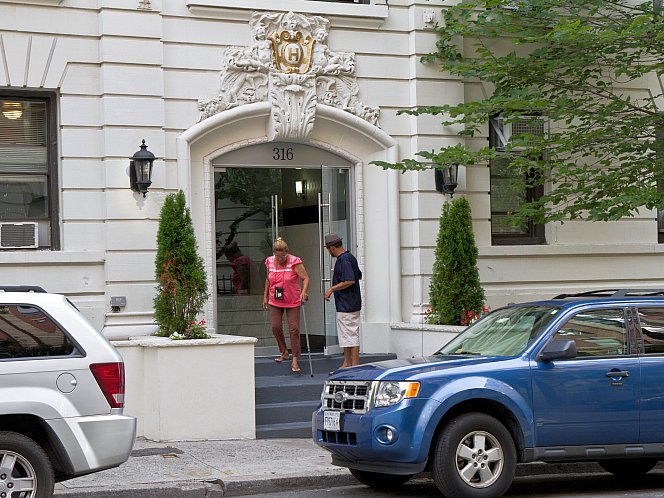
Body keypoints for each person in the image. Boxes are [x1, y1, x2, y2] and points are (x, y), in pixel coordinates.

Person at [263, 238, 310, 373]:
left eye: (283, 256)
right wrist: (265, 296)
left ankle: (295, 357)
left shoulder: (295, 262)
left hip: (292, 299)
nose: (280, 259)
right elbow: (268, 279)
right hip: (275, 298)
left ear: (287, 253)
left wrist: (304, 291)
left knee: (294, 328)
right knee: (275, 326)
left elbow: (306, 278)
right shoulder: (270, 262)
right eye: (277, 256)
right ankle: (284, 351)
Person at [323, 233, 362, 370]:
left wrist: (331, 289)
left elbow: (350, 280)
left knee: (350, 333)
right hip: (350, 302)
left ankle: (354, 364)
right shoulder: (350, 257)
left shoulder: (344, 260)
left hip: (347, 303)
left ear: (332, 247)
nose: (329, 252)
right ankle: (347, 363)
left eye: (328, 249)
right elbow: (359, 275)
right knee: (347, 334)